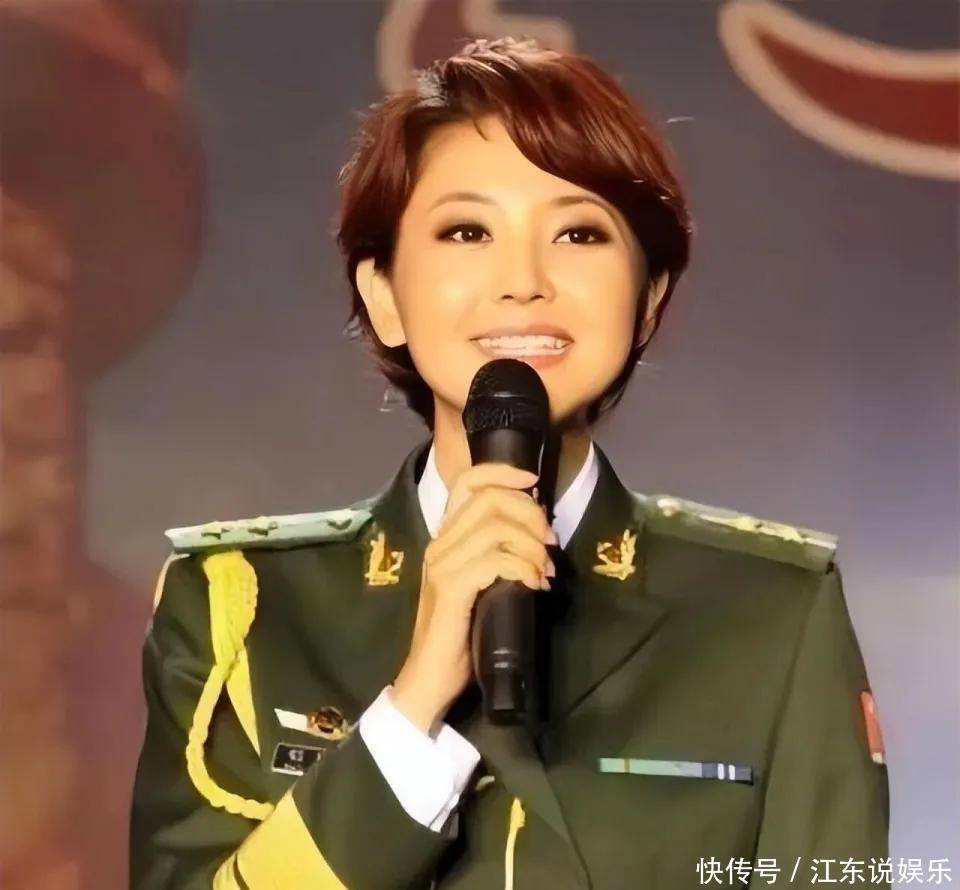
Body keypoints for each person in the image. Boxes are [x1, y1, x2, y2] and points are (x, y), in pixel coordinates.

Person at [129, 36, 890, 890]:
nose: (523, 281)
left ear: (648, 300)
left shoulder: (769, 613)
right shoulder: (244, 608)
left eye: (578, 232)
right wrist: (415, 702)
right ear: (383, 295)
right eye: (467, 231)